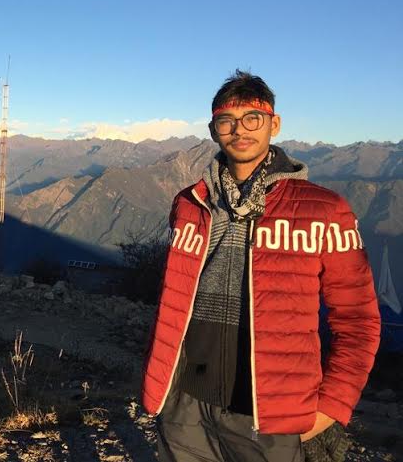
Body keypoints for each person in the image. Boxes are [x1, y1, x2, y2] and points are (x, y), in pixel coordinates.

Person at [141, 70, 380, 462]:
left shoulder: (324, 210)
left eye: (252, 118)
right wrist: (162, 389)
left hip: (269, 416)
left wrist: (332, 405)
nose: (240, 130)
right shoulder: (189, 204)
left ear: (274, 123)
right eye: (227, 121)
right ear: (213, 130)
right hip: (184, 404)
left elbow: (358, 319)